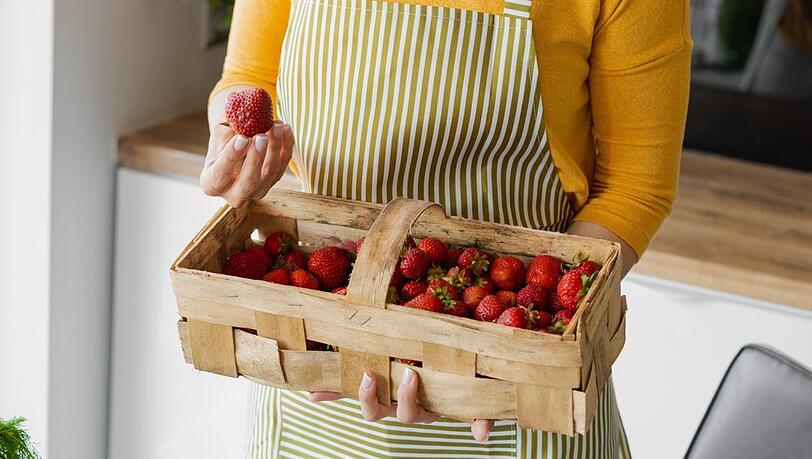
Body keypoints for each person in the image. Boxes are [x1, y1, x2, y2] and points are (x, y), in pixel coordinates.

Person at [201, 0, 691, 456]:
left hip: (521, 386)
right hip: (314, 362)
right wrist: (236, 144)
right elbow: (250, 79)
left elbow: (634, 187)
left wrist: (509, 350)